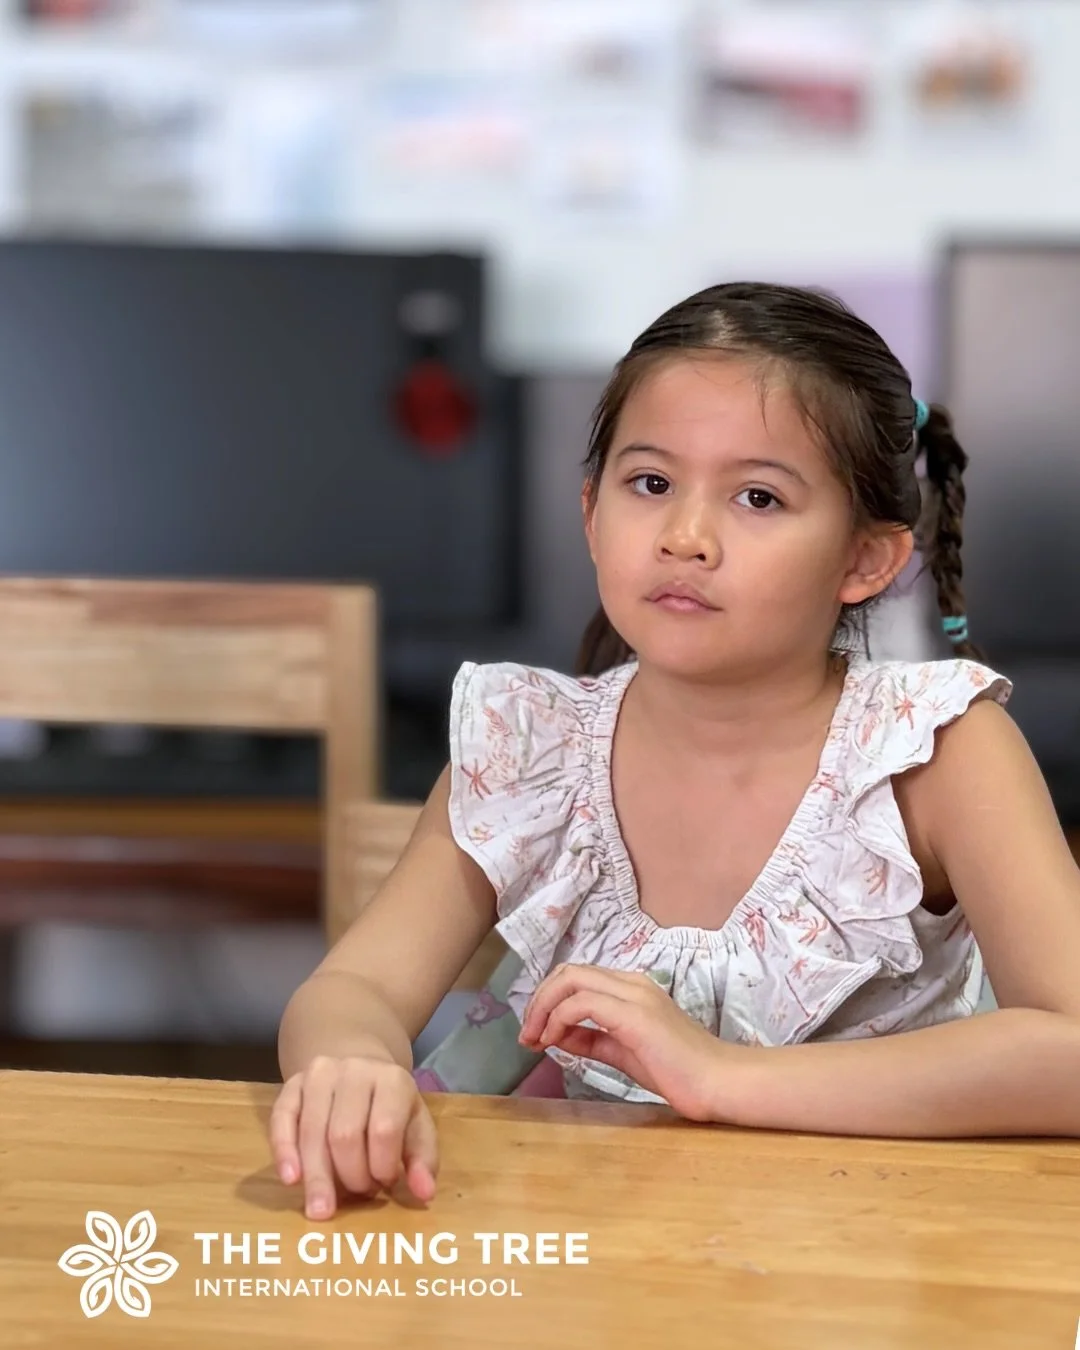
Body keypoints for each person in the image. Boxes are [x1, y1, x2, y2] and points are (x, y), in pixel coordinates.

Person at [272, 282, 1080, 1221]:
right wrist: (351, 1061)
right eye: (650, 484)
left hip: (878, 1250)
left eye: (758, 497)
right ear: (590, 511)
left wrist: (718, 1077)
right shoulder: (526, 746)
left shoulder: (939, 749)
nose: (686, 538)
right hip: (593, 1248)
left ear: (866, 560)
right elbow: (355, 988)